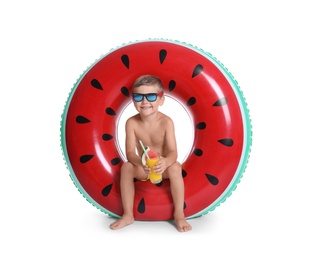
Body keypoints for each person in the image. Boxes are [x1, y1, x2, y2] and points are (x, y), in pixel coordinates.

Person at [110, 75, 192, 232]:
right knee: (127, 167)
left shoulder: (166, 122)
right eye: (138, 96)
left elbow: (173, 152)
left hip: (163, 168)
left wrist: (166, 162)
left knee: (176, 167)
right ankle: (128, 214)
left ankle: (179, 215)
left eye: (151, 96)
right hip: (144, 168)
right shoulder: (131, 123)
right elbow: (129, 152)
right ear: (133, 100)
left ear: (161, 100)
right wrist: (141, 163)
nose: (145, 102)